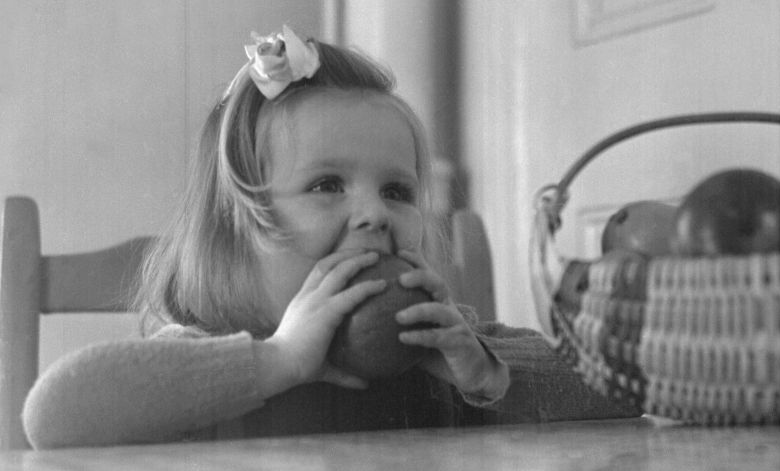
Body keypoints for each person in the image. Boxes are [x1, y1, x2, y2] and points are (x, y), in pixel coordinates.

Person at [22, 26, 640, 450]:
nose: (375, 216)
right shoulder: (204, 355)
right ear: (234, 236)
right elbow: (52, 414)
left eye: (397, 192)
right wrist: (277, 362)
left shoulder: (445, 346)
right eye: (326, 185)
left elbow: (621, 387)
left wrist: (484, 373)